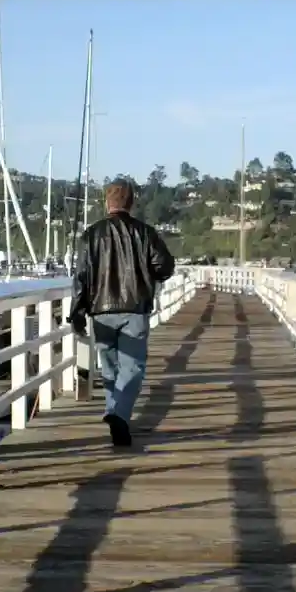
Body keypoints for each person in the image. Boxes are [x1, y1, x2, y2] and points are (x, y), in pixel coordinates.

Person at [68, 178, 175, 446]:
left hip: (100, 310)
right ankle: (118, 415)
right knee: (133, 367)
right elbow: (164, 266)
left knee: (110, 368)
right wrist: (147, 274)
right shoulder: (145, 233)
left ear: (107, 202)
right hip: (135, 308)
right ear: (131, 203)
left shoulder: (91, 234)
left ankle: (116, 416)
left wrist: (77, 311)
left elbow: (81, 276)